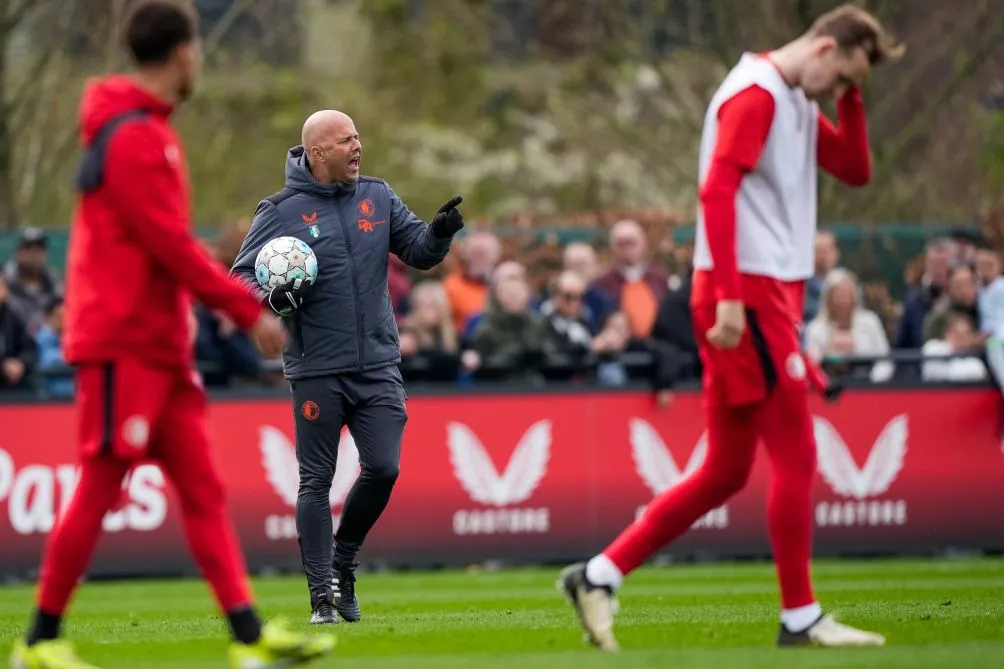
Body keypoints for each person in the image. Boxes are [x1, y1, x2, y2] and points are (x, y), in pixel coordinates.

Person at [558, 3, 902, 651]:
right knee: (796, 455)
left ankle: (597, 574)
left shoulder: (794, 97)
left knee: (725, 468)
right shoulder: (758, 95)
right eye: (841, 79)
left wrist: (851, 97)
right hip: (747, 291)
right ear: (825, 48)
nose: (836, 93)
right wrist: (732, 302)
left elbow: (856, 171)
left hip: (759, 290)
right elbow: (717, 193)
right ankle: (800, 616)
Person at [10, 3, 335, 668]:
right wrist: (243, 309)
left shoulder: (151, 133)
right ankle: (39, 639)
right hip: (120, 344)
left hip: (159, 346)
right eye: (198, 50)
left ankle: (248, 637)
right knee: (101, 481)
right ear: (184, 53)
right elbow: (167, 244)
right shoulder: (131, 135)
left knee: (203, 489)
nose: (201, 61)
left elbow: (162, 247)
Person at [230, 110, 464, 626]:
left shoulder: (378, 196)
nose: (358, 146)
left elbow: (419, 251)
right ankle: (321, 598)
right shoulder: (280, 209)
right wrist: (273, 293)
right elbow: (240, 276)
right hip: (316, 367)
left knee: (384, 467)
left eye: (358, 137)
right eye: (346, 140)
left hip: (379, 363)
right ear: (317, 153)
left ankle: (344, 560)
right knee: (316, 480)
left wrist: (441, 232)